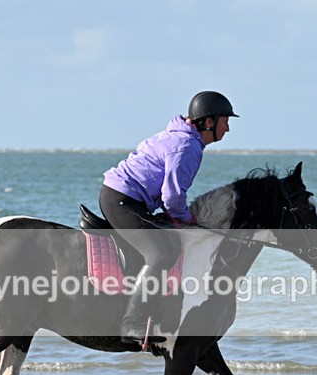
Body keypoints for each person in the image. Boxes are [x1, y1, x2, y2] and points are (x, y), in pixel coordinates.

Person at [100, 91, 238, 345]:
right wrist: (189, 219)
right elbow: (173, 198)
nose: (228, 128)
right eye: (225, 121)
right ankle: (133, 322)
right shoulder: (187, 146)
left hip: (123, 197)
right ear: (208, 122)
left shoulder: (181, 138)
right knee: (160, 254)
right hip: (122, 200)